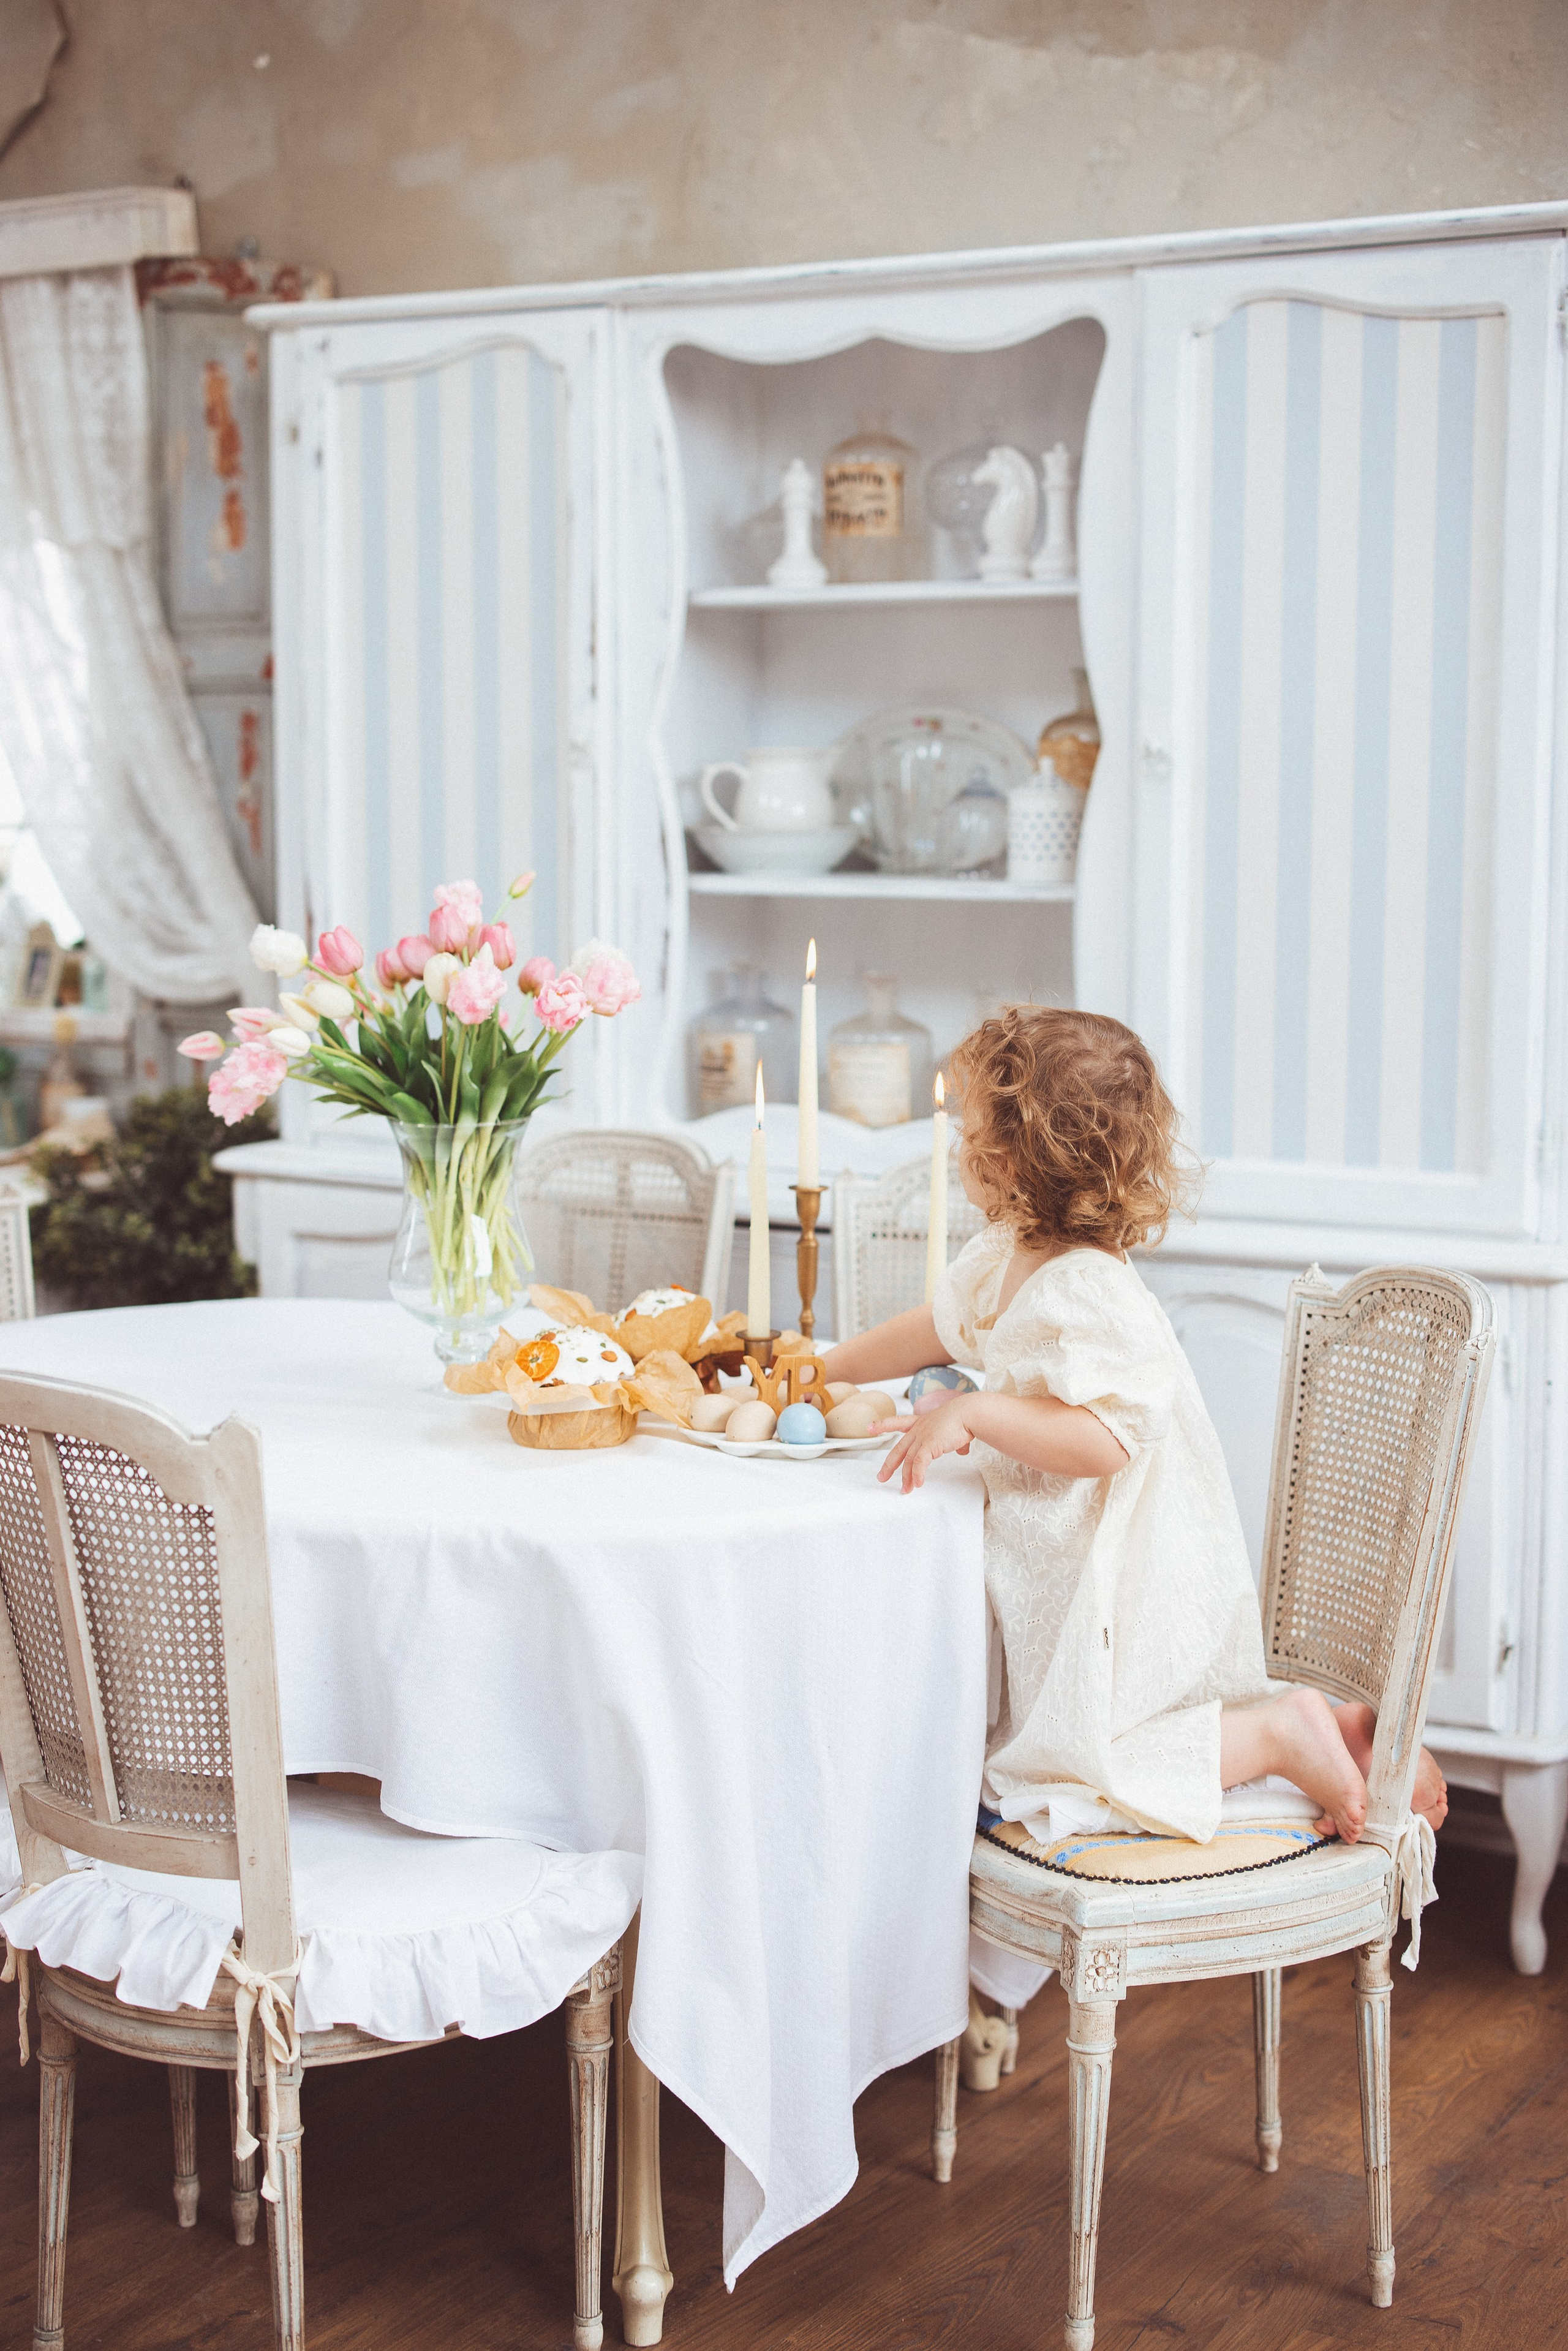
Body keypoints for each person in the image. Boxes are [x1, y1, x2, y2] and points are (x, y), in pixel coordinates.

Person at [820, 1003, 1447, 1848]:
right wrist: (826, 1366)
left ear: (1009, 1156)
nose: (958, 1142)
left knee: (1082, 1760)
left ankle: (1283, 1731)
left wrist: (979, 1411)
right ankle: (1320, 1727)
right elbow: (941, 1325)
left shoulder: (1087, 1286)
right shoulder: (1010, 1251)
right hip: (1066, 1556)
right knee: (1060, 1737)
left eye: (971, 1129)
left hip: (1120, 1561)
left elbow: (1105, 1441)